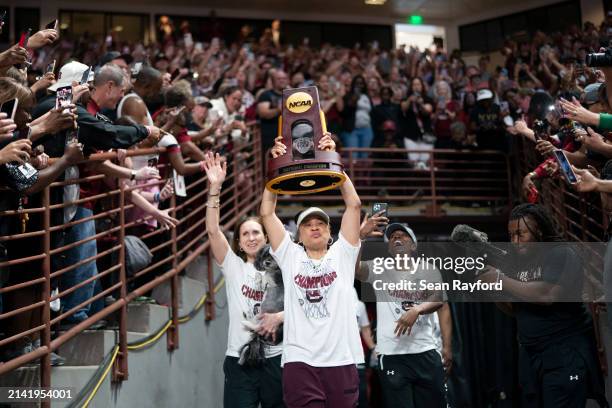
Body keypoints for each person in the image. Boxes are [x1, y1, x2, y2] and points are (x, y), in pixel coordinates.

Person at [260, 133, 364, 407]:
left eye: (321, 223)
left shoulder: (342, 253)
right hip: (299, 360)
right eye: (307, 224)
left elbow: (353, 205)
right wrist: (275, 167)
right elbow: (267, 214)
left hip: (341, 359)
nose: (314, 226)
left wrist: (335, 162)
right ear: (299, 234)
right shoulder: (289, 255)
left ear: (330, 232)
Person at [479, 203, 607, 408]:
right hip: (531, 356)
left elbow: (547, 295)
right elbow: (515, 310)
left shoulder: (561, 253)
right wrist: (492, 291)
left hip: (564, 352)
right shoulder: (518, 264)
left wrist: (500, 280)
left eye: (521, 234)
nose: (515, 241)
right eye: (511, 235)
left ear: (538, 230)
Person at [203, 152, 284, 408]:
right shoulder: (234, 266)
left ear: (266, 237)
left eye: (256, 232)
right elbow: (213, 231)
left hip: (277, 358)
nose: (251, 237)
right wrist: (215, 188)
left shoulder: (285, 266)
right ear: (239, 242)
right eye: (245, 234)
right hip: (239, 360)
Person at [356, 221, 446, 408]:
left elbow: (439, 299)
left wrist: (417, 309)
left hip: (425, 351)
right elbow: (354, 269)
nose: (397, 237)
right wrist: (360, 238)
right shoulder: (379, 268)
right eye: (393, 237)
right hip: (392, 355)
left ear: (413, 245)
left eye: (403, 235)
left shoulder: (428, 269)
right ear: (389, 248)